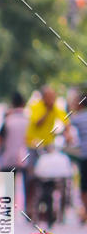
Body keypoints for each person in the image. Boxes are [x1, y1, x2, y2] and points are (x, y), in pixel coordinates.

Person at [25, 86, 70, 220]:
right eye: (49, 97)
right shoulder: (35, 106)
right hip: (33, 144)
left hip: (48, 145)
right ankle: (30, 206)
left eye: (53, 97)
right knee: (31, 177)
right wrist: (47, 111)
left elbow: (65, 122)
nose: (52, 100)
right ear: (43, 97)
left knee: (57, 174)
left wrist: (68, 133)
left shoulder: (56, 108)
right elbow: (38, 123)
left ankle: (59, 211)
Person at [0, 91, 29, 204]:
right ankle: (28, 209)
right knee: (28, 187)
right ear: (23, 103)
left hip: (8, 158)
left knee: (8, 189)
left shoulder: (7, 120)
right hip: (25, 158)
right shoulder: (29, 120)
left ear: (12, 104)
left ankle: (9, 210)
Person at [69, 88, 87, 223]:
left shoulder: (77, 118)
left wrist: (72, 108)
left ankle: (85, 212)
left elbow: (67, 132)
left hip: (84, 155)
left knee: (84, 185)